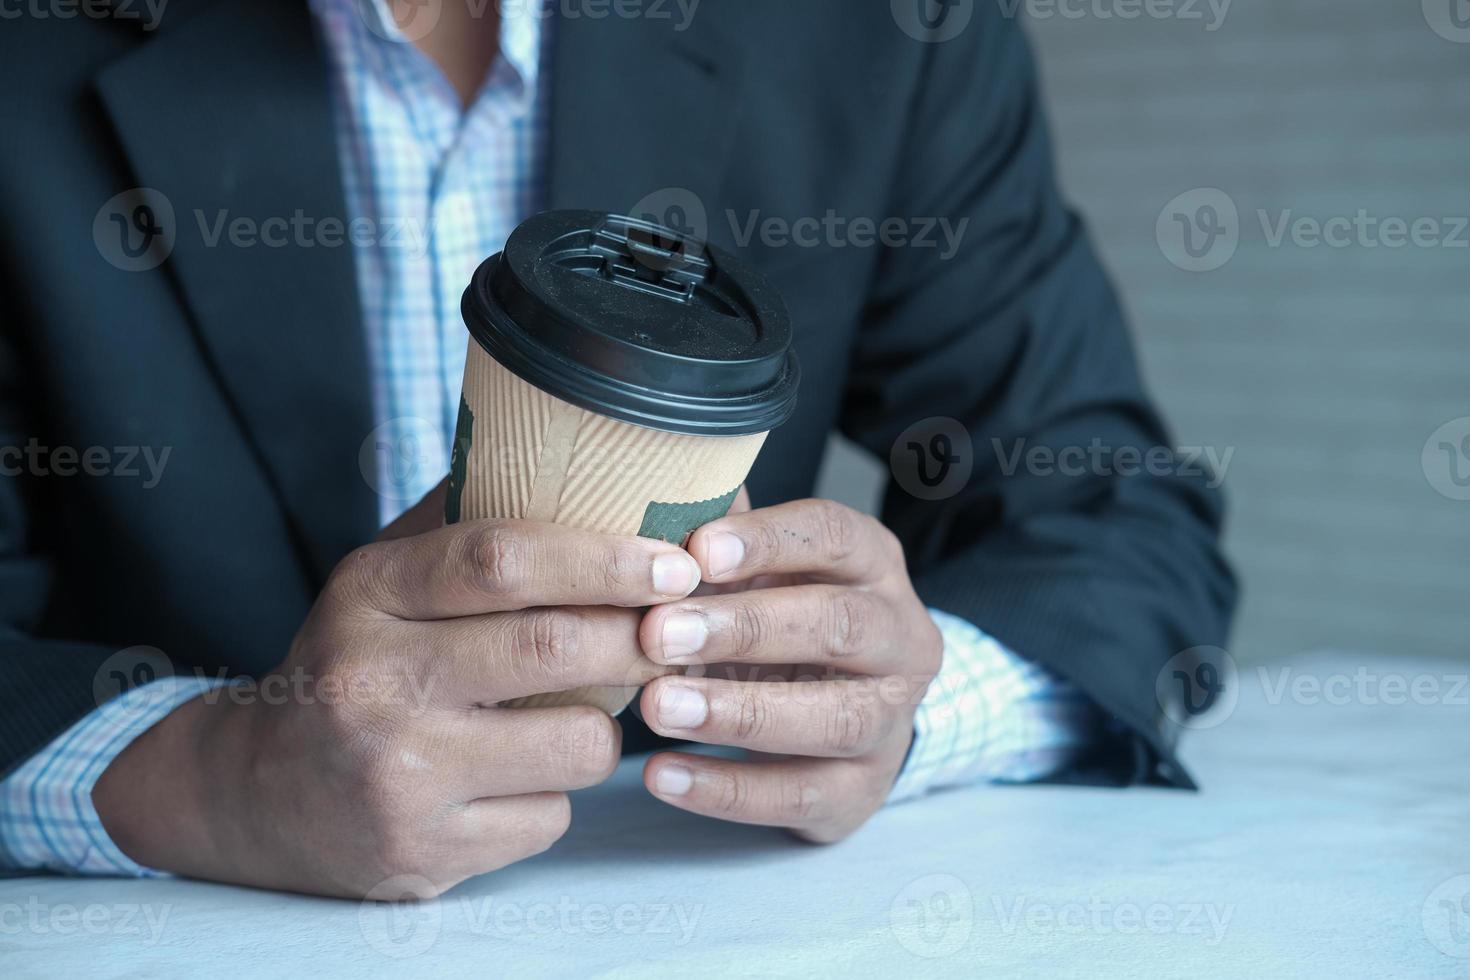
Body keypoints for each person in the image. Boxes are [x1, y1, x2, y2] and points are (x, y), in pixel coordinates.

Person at [0, 0, 1235, 898]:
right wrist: (212, 775)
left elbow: (1116, 516)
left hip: (705, 907)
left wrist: (898, 703)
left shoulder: (880, 32)